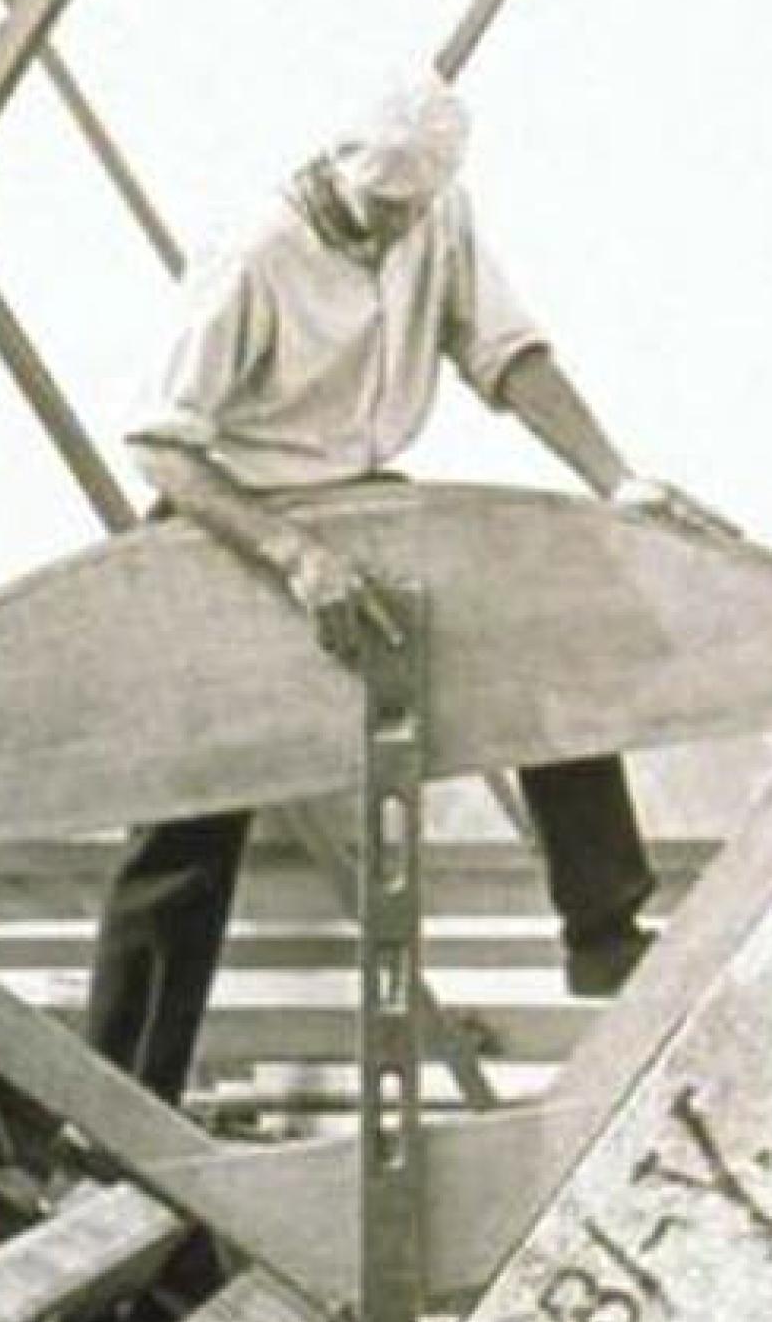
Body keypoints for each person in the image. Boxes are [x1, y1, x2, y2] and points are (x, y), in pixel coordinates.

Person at [85, 77, 704, 1106]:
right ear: (336, 164)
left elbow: (508, 355)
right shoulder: (254, 254)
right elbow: (160, 445)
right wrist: (293, 558)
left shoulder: (433, 213)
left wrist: (617, 478)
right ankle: (119, 1101)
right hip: (237, 523)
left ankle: (603, 931)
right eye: (377, 210)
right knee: (190, 828)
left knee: (536, 633)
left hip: (361, 506)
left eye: (410, 210)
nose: (392, 230)